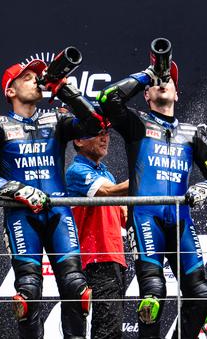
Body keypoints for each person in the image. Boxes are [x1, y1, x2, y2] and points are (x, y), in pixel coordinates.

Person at [0, 58, 106, 338]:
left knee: (76, 287)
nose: (36, 80)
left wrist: (64, 90)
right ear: (10, 91)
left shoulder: (57, 120)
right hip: (22, 216)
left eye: (37, 76)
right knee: (28, 293)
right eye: (28, 77)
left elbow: (95, 125)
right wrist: (18, 190)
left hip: (59, 213)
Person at [98, 55, 207, 339]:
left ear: (177, 93)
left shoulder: (193, 134)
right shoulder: (136, 123)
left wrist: (206, 188)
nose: (163, 83)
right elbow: (107, 99)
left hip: (181, 221)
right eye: (157, 82)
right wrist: (149, 74)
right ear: (146, 94)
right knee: (153, 294)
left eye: (168, 80)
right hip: (145, 218)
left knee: (202, 296)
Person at [66, 131, 129, 339]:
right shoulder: (76, 170)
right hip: (93, 258)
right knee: (106, 331)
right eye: (98, 134)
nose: (105, 138)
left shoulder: (106, 174)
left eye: (106, 134)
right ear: (79, 140)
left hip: (113, 258)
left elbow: (124, 216)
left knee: (111, 328)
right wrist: (147, 175)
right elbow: (110, 192)